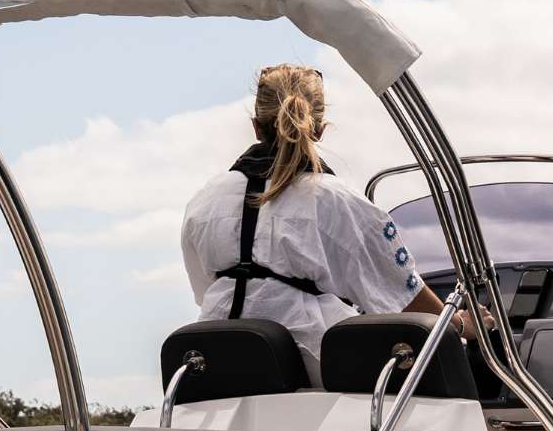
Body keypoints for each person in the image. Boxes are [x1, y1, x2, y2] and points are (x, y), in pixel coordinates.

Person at [180, 63, 473, 384]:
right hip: (311, 365)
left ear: (256, 126)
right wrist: (460, 324)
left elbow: (206, 290)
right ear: (319, 129)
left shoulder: (205, 199)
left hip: (214, 362)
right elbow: (404, 299)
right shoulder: (339, 201)